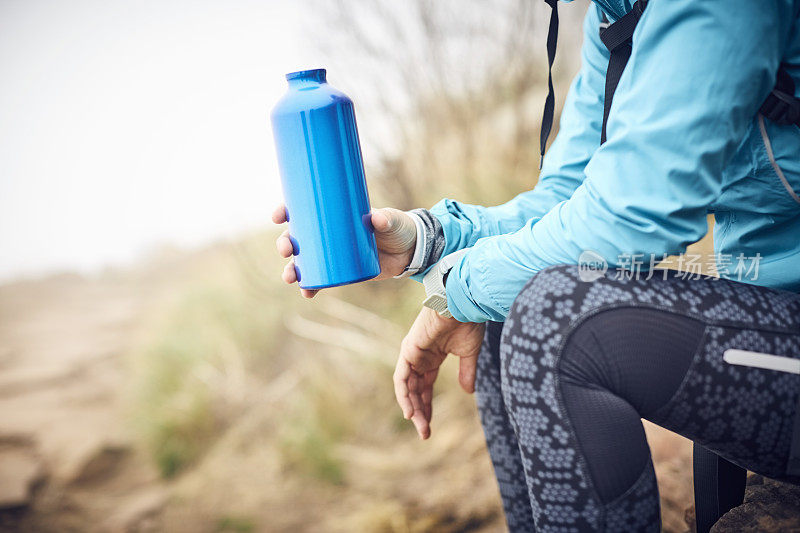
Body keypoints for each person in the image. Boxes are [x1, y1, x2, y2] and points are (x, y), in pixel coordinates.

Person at [274, 0, 800, 530]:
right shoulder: (617, 16)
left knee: (551, 316)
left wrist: (454, 294)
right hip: (772, 311)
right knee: (512, 305)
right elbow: (567, 195)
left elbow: (636, 215)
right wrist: (422, 242)